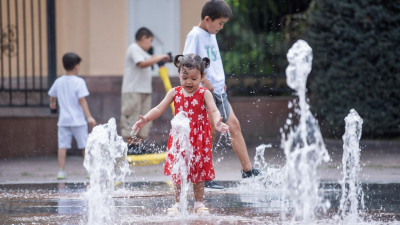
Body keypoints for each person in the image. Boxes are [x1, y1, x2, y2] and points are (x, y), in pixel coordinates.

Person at [132, 54, 229, 215]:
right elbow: (158, 108)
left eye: (194, 78)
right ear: (179, 75)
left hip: (199, 138)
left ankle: (198, 203)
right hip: (180, 137)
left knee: (198, 172)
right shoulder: (174, 92)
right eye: (185, 78)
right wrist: (145, 119)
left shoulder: (204, 93)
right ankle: (177, 203)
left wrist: (217, 121)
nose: (189, 82)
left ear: (202, 77)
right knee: (178, 170)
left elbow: (213, 109)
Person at [183, 0, 261, 189]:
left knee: (234, 125)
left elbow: (212, 60)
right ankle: (203, 176)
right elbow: (187, 63)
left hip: (218, 91)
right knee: (208, 133)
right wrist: (205, 82)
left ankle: (248, 170)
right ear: (207, 19)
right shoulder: (195, 35)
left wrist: (220, 80)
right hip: (205, 93)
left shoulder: (211, 33)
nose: (221, 27)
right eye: (220, 23)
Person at [121, 27, 170, 154]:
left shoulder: (143, 52)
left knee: (143, 118)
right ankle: (130, 146)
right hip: (133, 90)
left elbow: (151, 57)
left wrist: (163, 57)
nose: (151, 44)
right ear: (144, 38)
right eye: (150, 40)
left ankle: (138, 146)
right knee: (132, 116)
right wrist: (160, 57)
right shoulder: (134, 48)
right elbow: (141, 63)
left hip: (144, 90)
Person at [48, 52, 96, 180]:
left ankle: (61, 171)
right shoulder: (79, 82)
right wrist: (89, 117)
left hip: (63, 121)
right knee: (85, 146)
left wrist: (52, 102)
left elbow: (53, 95)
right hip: (78, 120)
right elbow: (82, 101)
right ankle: (89, 170)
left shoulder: (58, 81)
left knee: (62, 146)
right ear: (76, 67)